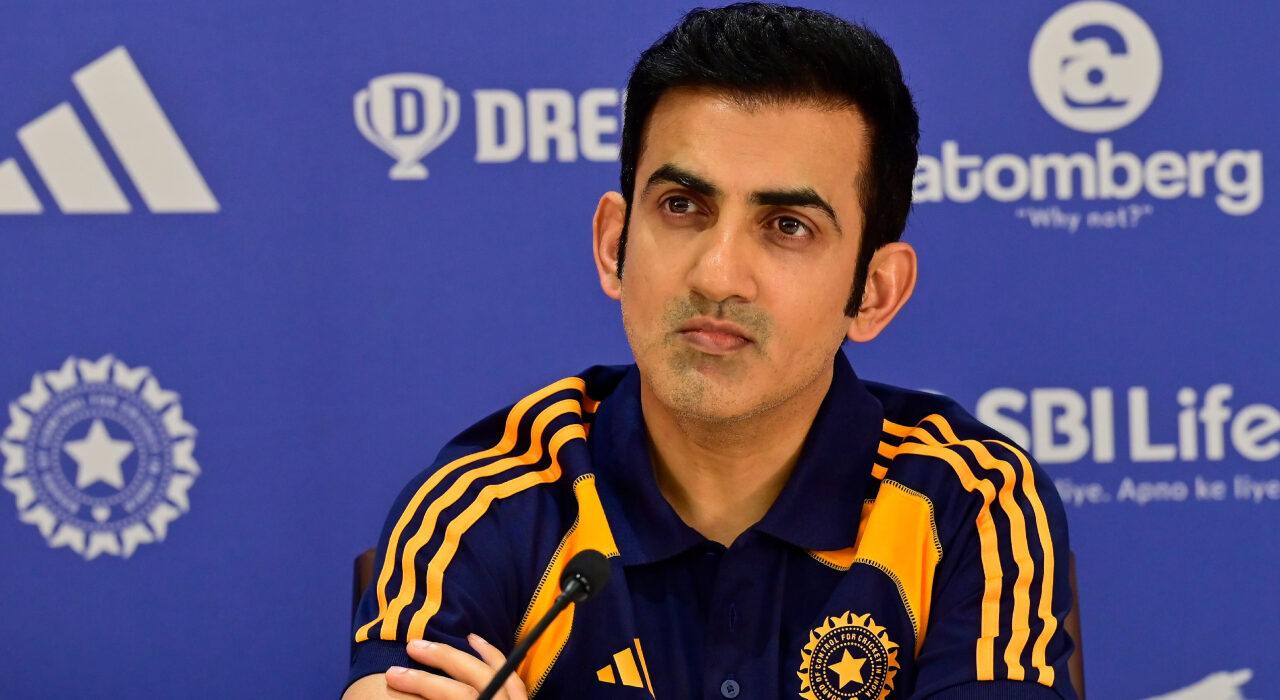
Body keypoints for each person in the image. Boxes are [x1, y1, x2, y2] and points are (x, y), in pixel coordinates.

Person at [344, 4, 1076, 699]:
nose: (718, 275)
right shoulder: (489, 501)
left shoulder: (968, 500)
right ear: (614, 244)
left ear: (874, 293)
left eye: (787, 226)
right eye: (682, 207)